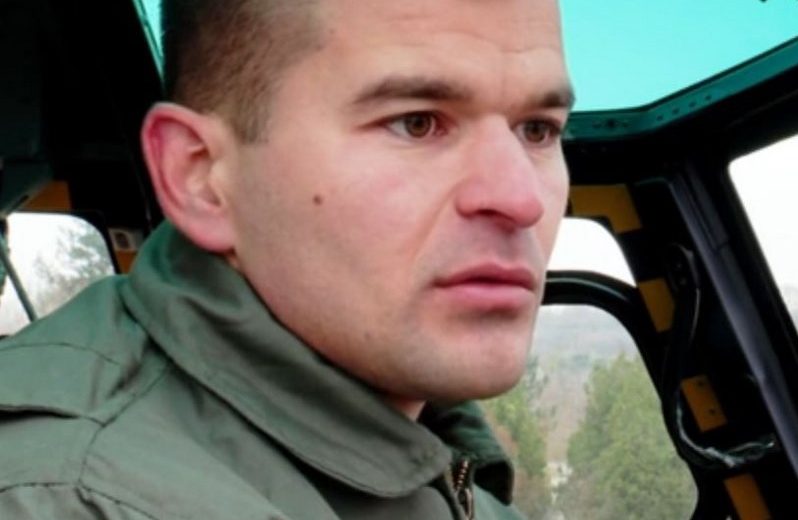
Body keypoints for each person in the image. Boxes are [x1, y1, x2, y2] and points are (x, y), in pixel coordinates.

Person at [0, 0, 572, 518]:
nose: (521, 199)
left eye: (539, 130)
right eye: (416, 123)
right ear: (199, 175)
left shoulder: (442, 471)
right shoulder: (69, 500)